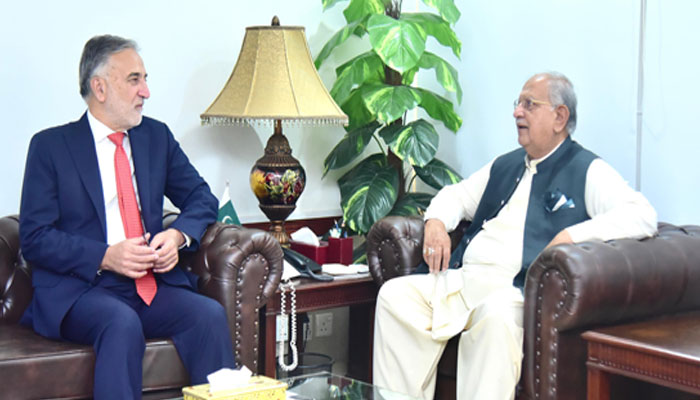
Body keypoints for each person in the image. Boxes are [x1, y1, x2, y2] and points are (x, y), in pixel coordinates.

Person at [372, 72, 658, 400]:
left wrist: (571, 235)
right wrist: (436, 223)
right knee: (396, 297)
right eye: (518, 103)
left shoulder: (587, 169)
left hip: (514, 292)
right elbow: (456, 196)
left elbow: (642, 214)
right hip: (464, 282)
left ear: (559, 117)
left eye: (529, 104)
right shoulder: (505, 165)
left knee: (496, 315)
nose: (516, 112)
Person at [19, 35, 236, 399]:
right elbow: (35, 237)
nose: (146, 91)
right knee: (120, 323)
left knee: (208, 315)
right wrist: (105, 256)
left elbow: (201, 197)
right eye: (134, 80)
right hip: (82, 290)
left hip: (149, 285)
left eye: (145, 79)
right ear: (99, 88)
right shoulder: (51, 147)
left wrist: (178, 236)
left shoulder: (156, 137)